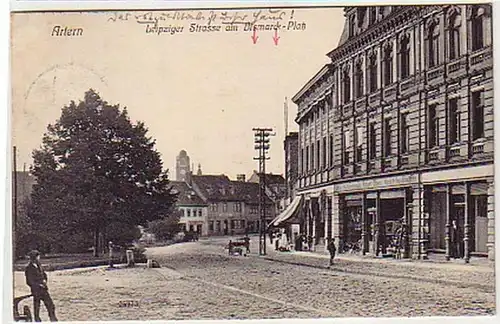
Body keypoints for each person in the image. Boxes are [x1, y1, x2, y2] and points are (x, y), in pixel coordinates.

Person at [25, 250, 58, 322]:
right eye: (38, 256)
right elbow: (29, 281)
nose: (39, 258)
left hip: (44, 290)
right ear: (34, 258)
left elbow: (44, 274)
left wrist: (45, 280)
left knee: (51, 305)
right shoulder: (29, 268)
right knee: (37, 308)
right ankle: (37, 321)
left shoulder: (39, 265)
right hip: (36, 291)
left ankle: (53, 319)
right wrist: (38, 285)